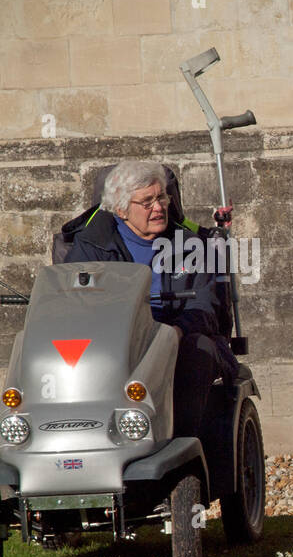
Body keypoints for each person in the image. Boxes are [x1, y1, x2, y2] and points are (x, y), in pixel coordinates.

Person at [61, 160, 236, 439]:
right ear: (121, 209)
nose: (159, 207)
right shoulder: (91, 246)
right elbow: (69, 304)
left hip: (177, 339)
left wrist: (175, 332)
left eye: (162, 197)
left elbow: (207, 306)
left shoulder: (192, 246)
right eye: (147, 201)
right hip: (113, 342)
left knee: (198, 349)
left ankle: (178, 443)